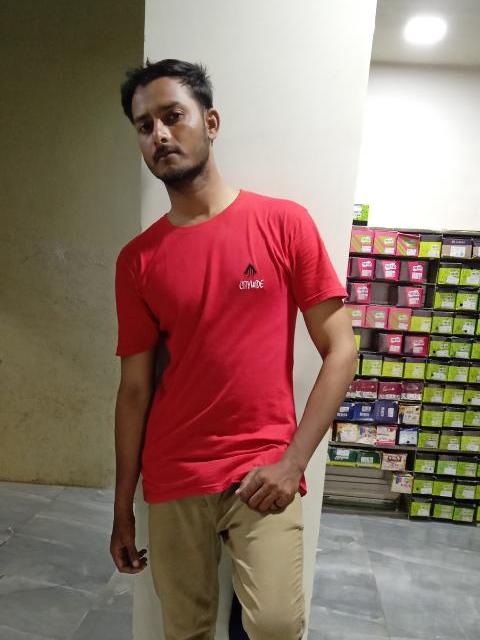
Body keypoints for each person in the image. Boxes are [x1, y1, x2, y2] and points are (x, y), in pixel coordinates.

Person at [110, 58, 357, 640]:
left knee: (276, 625)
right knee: (184, 630)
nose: (159, 135)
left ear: (211, 122)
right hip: (174, 471)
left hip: (263, 465)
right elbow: (135, 390)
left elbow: (342, 349)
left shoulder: (282, 223)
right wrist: (122, 507)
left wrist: (294, 461)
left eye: (173, 116)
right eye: (144, 126)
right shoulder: (138, 260)